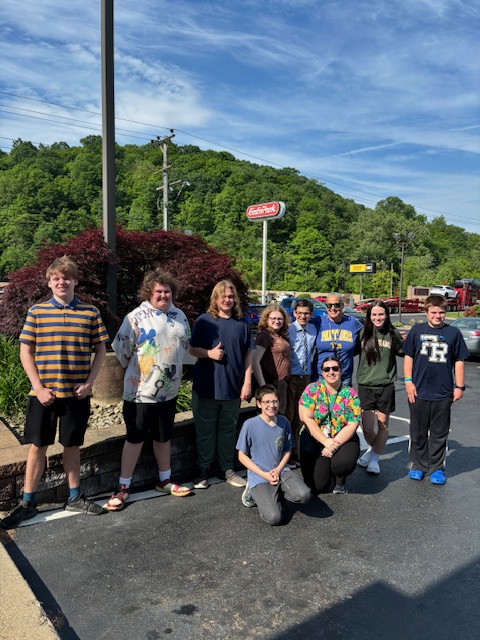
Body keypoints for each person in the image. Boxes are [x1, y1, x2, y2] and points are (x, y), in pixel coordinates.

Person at [0, 256, 108, 529]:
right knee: (38, 447)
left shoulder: (90, 313)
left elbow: (101, 351)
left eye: (67, 277)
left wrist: (90, 383)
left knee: (72, 445)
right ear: (49, 282)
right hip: (44, 395)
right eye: (56, 278)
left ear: (75, 281)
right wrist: (38, 387)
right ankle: (28, 501)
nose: (62, 282)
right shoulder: (37, 312)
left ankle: (74, 496)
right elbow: (25, 351)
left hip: (77, 394)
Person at [106, 268, 192, 511]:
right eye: (159, 291)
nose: (163, 295)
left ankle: (164, 479)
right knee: (134, 438)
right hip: (140, 393)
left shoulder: (180, 316)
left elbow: (183, 347)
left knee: (164, 437)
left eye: (167, 291)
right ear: (149, 293)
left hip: (169, 392)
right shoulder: (135, 317)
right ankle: (123, 487)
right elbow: (122, 352)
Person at [188, 280, 252, 490]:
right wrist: (209, 354)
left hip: (232, 388)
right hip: (207, 387)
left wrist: (247, 382)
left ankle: (227, 468)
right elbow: (191, 349)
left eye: (231, 296)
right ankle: (203, 469)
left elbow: (247, 354)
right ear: (216, 298)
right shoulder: (205, 321)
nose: (227, 300)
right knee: (204, 431)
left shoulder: (242, 323)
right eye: (223, 296)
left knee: (228, 431)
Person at [403, 294, 469, 485]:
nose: (437, 316)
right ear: (426, 312)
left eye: (441, 312)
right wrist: (408, 381)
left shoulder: (453, 333)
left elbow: (459, 360)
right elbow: (409, 357)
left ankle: (437, 468)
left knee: (439, 433)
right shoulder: (416, 331)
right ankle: (419, 465)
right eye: (433, 312)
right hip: (418, 390)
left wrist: (459, 386)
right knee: (418, 432)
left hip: (443, 392)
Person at [236, 385, 311, 525]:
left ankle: (279, 494)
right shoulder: (250, 425)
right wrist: (264, 475)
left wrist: (278, 469)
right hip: (260, 475)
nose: (272, 405)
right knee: (274, 518)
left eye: (275, 401)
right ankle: (252, 493)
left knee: (304, 495)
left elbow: (287, 450)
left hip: (280, 470)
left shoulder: (284, 422)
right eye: (267, 402)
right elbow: (242, 455)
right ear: (259, 404)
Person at [299, 356, 361, 494]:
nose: (331, 372)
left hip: (341, 438)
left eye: (335, 368)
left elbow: (352, 423)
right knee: (318, 487)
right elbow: (306, 418)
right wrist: (325, 441)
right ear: (322, 372)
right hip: (315, 437)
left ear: (341, 370)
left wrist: (333, 445)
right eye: (327, 369)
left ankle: (340, 479)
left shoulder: (350, 394)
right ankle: (327, 471)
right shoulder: (312, 389)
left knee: (342, 464)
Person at [356, 302, 404, 474]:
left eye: (381, 314)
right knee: (367, 427)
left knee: (383, 425)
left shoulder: (393, 334)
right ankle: (372, 448)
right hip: (366, 385)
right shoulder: (362, 333)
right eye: (374, 315)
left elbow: (407, 352)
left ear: (387, 315)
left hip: (385, 386)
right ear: (369, 316)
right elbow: (348, 351)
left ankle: (375, 458)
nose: (378, 318)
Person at [286, 298, 318, 465]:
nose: (303, 316)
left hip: (306, 378)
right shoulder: (289, 329)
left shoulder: (313, 329)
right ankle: (289, 453)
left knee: (303, 417)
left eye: (306, 313)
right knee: (290, 416)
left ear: (311, 314)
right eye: (300, 313)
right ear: (294, 313)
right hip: (292, 377)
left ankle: (298, 451)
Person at [315, 293, 363, 385]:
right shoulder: (318, 321)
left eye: (336, 305)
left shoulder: (352, 322)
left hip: (344, 377)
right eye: (329, 305)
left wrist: (393, 332)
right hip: (321, 376)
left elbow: (370, 332)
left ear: (342, 305)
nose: (333, 308)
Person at [252, 304, 291, 415]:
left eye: (280, 319)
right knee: (268, 417)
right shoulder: (265, 336)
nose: (277, 321)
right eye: (273, 318)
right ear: (266, 319)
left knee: (280, 417)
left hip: (282, 384)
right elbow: (255, 361)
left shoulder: (281, 335)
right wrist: (264, 387)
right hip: (270, 383)